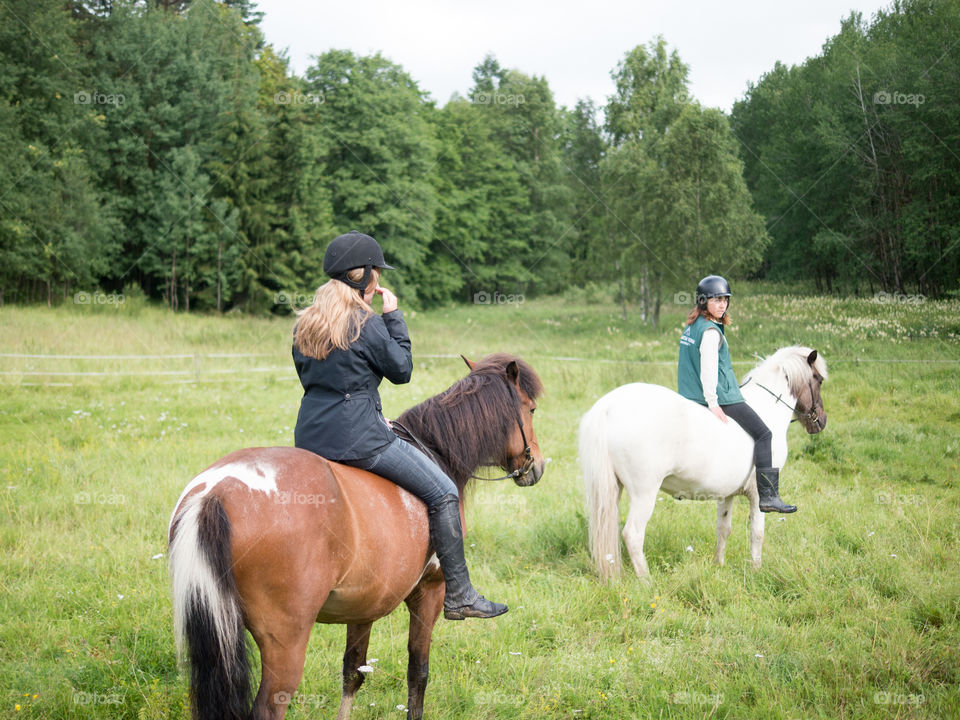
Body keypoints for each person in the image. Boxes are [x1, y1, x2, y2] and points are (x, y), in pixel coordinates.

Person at [292, 230, 508, 619]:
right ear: (363, 276)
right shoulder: (366, 323)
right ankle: (460, 595)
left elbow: (323, 384)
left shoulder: (306, 324)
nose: (378, 278)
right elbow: (401, 371)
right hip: (360, 441)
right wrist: (393, 316)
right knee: (444, 493)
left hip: (310, 436)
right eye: (376, 271)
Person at [677, 275, 797, 513]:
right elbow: (708, 371)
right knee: (764, 434)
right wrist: (713, 403)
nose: (722, 305)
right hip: (720, 397)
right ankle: (768, 496)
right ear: (703, 301)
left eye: (725, 300)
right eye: (716, 300)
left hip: (689, 395)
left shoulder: (692, 326)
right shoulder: (711, 332)